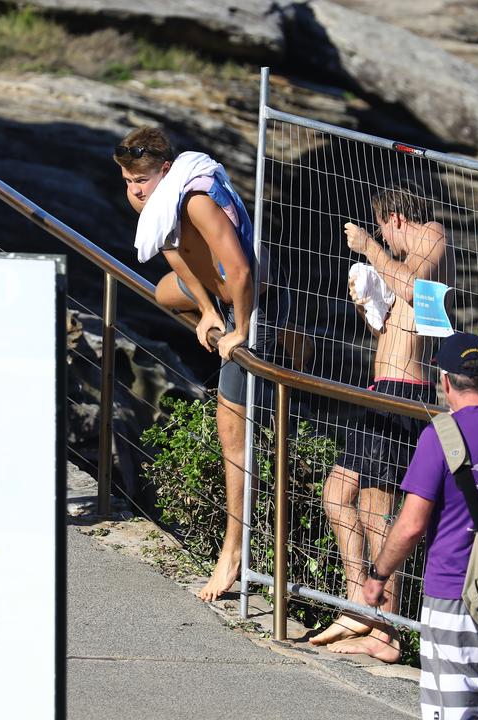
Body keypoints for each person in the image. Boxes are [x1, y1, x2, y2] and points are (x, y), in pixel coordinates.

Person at [115, 126, 289, 602]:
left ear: (166, 172)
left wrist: (239, 327)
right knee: (163, 291)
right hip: (222, 300)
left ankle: (233, 551)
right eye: (128, 180)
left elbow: (242, 269)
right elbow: (173, 251)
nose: (135, 189)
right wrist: (207, 312)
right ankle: (231, 323)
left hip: (256, 302)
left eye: (143, 180)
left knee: (232, 433)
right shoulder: (157, 202)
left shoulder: (195, 199)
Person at [362, 332, 478, 718]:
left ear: (444, 381)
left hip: (453, 591)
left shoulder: (439, 436)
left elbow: (410, 525)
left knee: (451, 709)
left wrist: (378, 575)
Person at [310, 183, 452, 651]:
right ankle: (361, 609)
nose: (381, 240)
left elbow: (415, 288)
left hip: (403, 393)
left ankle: (381, 628)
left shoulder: (432, 235)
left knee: (373, 508)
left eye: (382, 231)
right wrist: (370, 301)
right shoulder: (407, 258)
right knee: (344, 496)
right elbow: (404, 302)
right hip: (384, 390)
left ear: (394, 219)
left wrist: (369, 250)